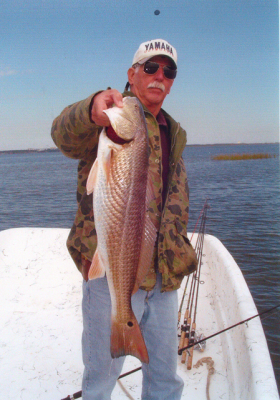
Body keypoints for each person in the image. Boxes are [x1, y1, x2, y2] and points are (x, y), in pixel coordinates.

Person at [51, 38, 197, 400]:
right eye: (150, 67)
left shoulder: (172, 131)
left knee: (165, 378)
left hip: (163, 274)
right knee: (100, 379)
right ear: (132, 74)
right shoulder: (107, 120)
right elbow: (62, 134)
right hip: (111, 267)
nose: (159, 76)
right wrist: (90, 110)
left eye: (169, 71)